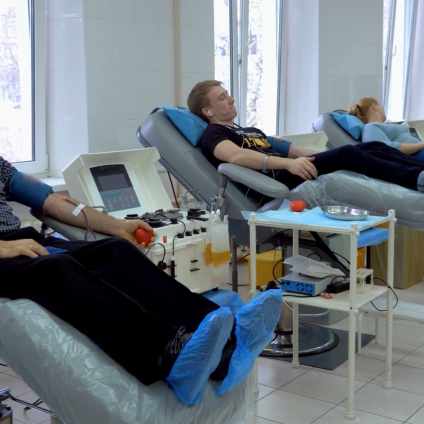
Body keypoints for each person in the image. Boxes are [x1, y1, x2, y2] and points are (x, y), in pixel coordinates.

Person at [0, 156, 282, 405]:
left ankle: (227, 341)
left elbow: (51, 201)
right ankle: (169, 356)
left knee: (115, 250)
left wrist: (118, 227)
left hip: (23, 241)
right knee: (59, 268)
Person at [187, 80, 424, 193]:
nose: (231, 99)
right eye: (222, 98)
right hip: (276, 178)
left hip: (291, 167)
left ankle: (420, 170)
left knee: (370, 146)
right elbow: (236, 156)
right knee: (350, 151)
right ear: (207, 111)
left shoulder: (251, 131)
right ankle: (417, 180)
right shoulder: (213, 133)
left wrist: (327, 156)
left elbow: (294, 150)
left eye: (227, 94)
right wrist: (289, 164)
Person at [347, 97, 424, 160]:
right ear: (374, 106)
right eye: (381, 106)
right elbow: (387, 149)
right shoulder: (370, 127)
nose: (383, 110)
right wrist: (419, 146)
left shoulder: (384, 126)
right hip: (414, 156)